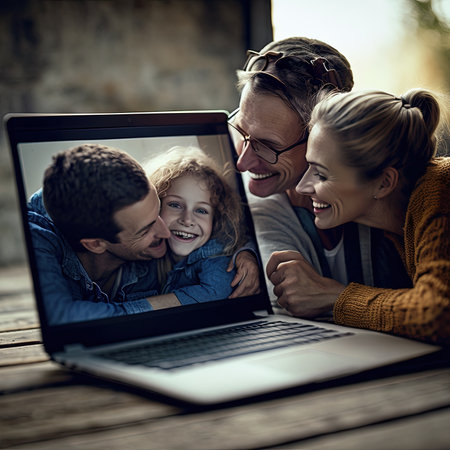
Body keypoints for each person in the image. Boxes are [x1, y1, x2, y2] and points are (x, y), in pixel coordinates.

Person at [228, 36, 411, 311]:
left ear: (321, 138)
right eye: (241, 131)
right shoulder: (240, 200)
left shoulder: (392, 196)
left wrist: (337, 298)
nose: (242, 162)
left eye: (268, 146)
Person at [268, 88, 449, 344]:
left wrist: (333, 296)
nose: (301, 187)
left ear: (384, 183)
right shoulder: (400, 220)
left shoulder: (440, 191)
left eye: (321, 174)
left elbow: (437, 313)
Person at [145, 146, 248, 304]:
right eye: (175, 205)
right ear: (156, 207)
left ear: (216, 220)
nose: (187, 220)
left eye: (201, 210)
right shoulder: (144, 255)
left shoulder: (218, 262)